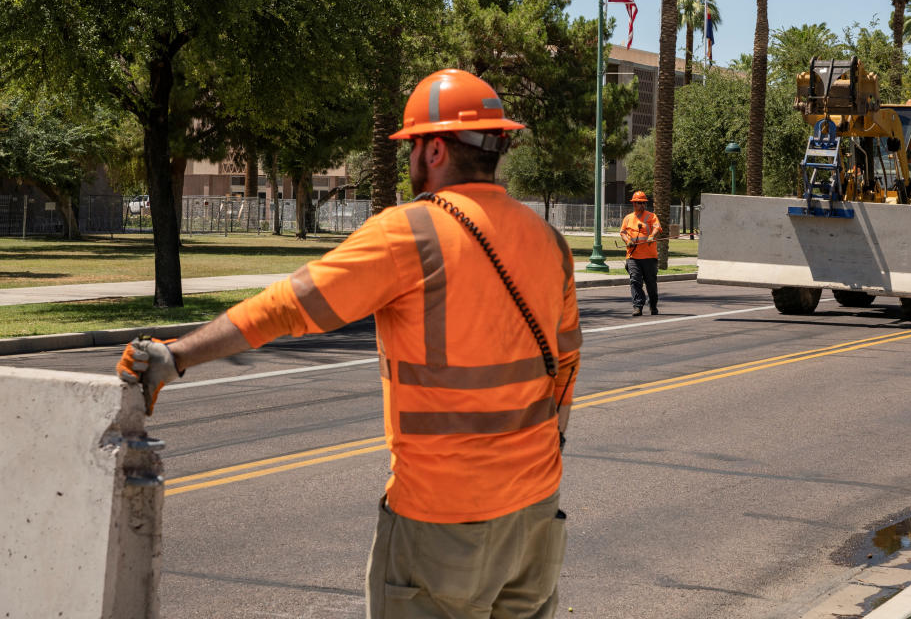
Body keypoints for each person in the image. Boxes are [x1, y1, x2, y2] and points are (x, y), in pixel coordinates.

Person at [117, 69, 581, 619]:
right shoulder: (549, 242)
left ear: (434, 149)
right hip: (535, 518)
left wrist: (179, 355)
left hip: (443, 522)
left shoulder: (411, 231)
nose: (409, 159)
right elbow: (566, 368)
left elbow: (290, 306)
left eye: (411, 146)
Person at [619, 191, 661, 317]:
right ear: (634, 204)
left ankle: (653, 305)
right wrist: (628, 240)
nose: (641, 205)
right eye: (639, 203)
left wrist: (652, 236)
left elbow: (657, 227)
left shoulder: (651, 216)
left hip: (649, 257)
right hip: (633, 257)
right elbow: (623, 232)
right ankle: (638, 306)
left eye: (643, 203)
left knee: (651, 284)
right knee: (635, 281)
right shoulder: (628, 218)